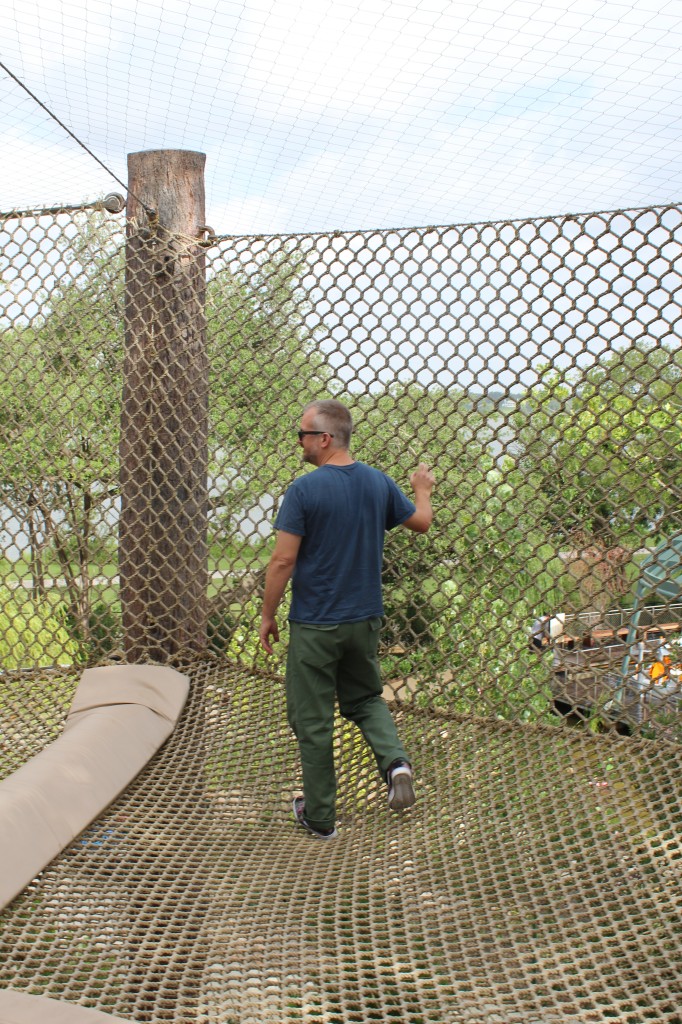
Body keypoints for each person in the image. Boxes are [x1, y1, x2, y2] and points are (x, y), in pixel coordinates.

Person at [258, 399, 435, 840]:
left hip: (317, 625)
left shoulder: (304, 490)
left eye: (302, 433)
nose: (298, 441)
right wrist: (422, 488)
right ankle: (395, 763)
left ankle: (320, 817)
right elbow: (421, 523)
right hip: (364, 620)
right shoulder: (378, 482)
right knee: (365, 700)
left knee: (312, 718)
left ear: (324, 438)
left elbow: (282, 561)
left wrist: (267, 614)